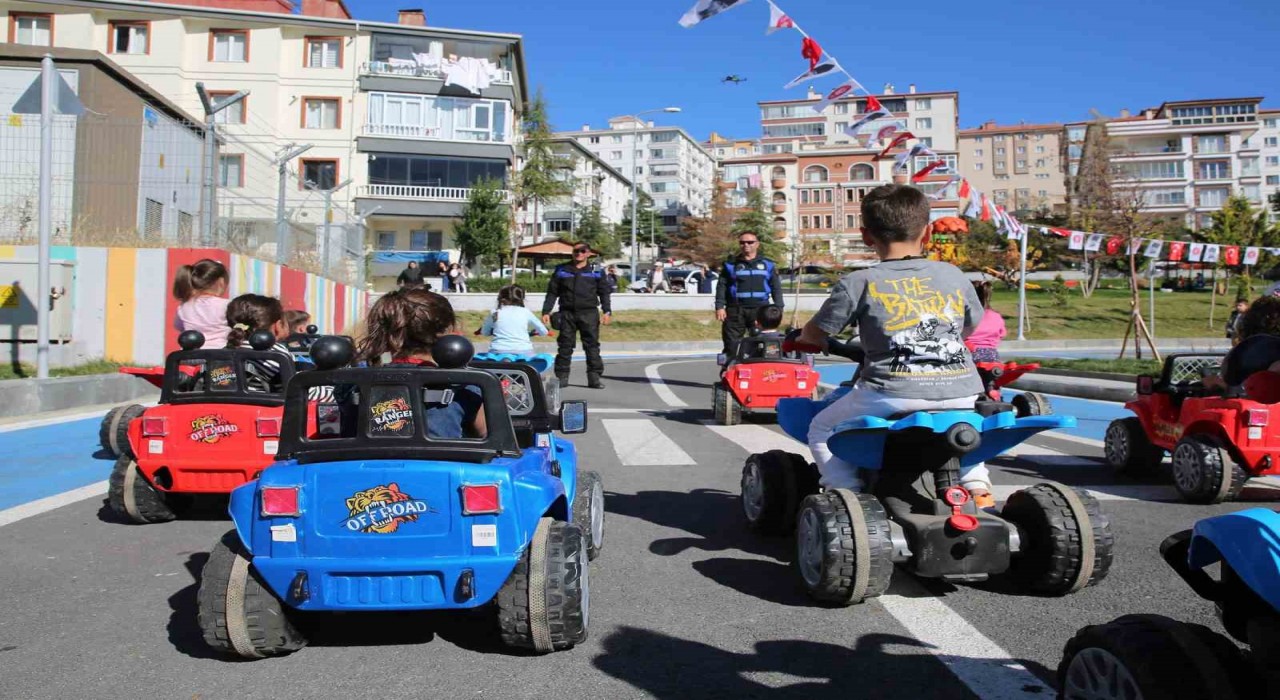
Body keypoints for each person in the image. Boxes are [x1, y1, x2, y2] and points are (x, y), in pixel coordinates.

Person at [790, 184, 993, 506]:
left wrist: (804, 338)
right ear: (927, 233)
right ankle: (978, 487)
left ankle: (846, 494)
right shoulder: (953, 275)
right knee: (962, 426)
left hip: (890, 391)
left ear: (866, 236)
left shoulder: (858, 282)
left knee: (822, 427)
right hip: (963, 389)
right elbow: (969, 325)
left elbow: (816, 333)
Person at [355, 287, 487, 439]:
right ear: (448, 332)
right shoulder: (465, 385)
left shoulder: (354, 384)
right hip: (442, 462)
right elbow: (492, 440)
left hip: (366, 462)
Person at [542, 243, 612, 389]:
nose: (579, 253)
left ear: (588, 253)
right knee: (565, 346)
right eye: (576, 251)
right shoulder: (561, 269)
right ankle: (562, 377)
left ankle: (594, 378)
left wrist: (607, 311)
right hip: (567, 313)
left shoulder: (596, 269)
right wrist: (546, 311)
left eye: (582, 251)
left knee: (592, 346)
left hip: (589, 313)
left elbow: (604, 292)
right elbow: (552, 292)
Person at [715, 232, 784, 356]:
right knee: (732, 345)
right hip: (735, 310)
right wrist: (719, 306)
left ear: (757, 244)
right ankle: (730, 370)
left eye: (750, 242)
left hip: (760, 310)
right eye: (742, 242)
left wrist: (778, 308)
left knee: (762, 345)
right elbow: (722, 286)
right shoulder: (730, 264)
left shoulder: (767, 264)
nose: (746, 245)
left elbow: (776, 287)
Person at [225, 294, 293, 393]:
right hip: (259, 407)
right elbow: (296, 391)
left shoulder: (224, 352)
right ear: (277, 326)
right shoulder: (275, 354)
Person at [173, 258, 231, 348]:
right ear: (221, 282)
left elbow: (178, 326)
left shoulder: (184, 306)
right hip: (221, 352)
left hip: (192, 353)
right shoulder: (226, 305)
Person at [480, 285, 549, 354]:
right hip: (523, 350)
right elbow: (543, 331)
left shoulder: (495, 313)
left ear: (501, 298)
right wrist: (536, 332)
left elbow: (485, 332)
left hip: (498, 350)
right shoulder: (525, 312)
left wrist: (491, 331)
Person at [965, 281, 1007, 363]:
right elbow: (1002, 334)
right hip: (992, 356)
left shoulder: (966, 316)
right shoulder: (996, 316)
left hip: (970, 354)